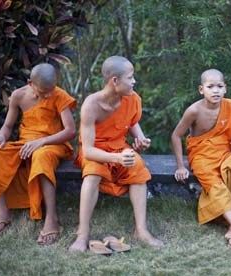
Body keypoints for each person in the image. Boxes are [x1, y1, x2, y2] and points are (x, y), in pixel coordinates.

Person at [0, 63, 76, 245]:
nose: (48, 95)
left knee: (41, 156)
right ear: (30, 83)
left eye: (51, 90)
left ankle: (52, 219)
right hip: (25, 143)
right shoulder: (18, 96)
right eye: (44, 92)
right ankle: (3, 213)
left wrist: (42, 141)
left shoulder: (59, 95)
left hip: (52, 143)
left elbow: (70, 131)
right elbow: (8, 126)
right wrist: (1, 137)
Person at [69, 56, 163, 252]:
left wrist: (140, 138)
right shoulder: (91, 105)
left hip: (119, 146)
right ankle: (82, 234)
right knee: (93, 174)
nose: (134, 81)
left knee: (137, 166)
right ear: (114, 81)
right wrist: (116, 158)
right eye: (130, 77)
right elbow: (88, 150)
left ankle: (141, 230)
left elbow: (131, 121)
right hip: (95, 150)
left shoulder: (132, 98)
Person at [171, 69, 231, 255]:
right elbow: (176, 135)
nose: (215, 91)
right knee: (216, 187)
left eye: (219, 86)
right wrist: (180, 165)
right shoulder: (194, 110)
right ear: (201, 89)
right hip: (201, 155)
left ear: (225, 88)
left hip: (224, 152)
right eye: (210, 87)